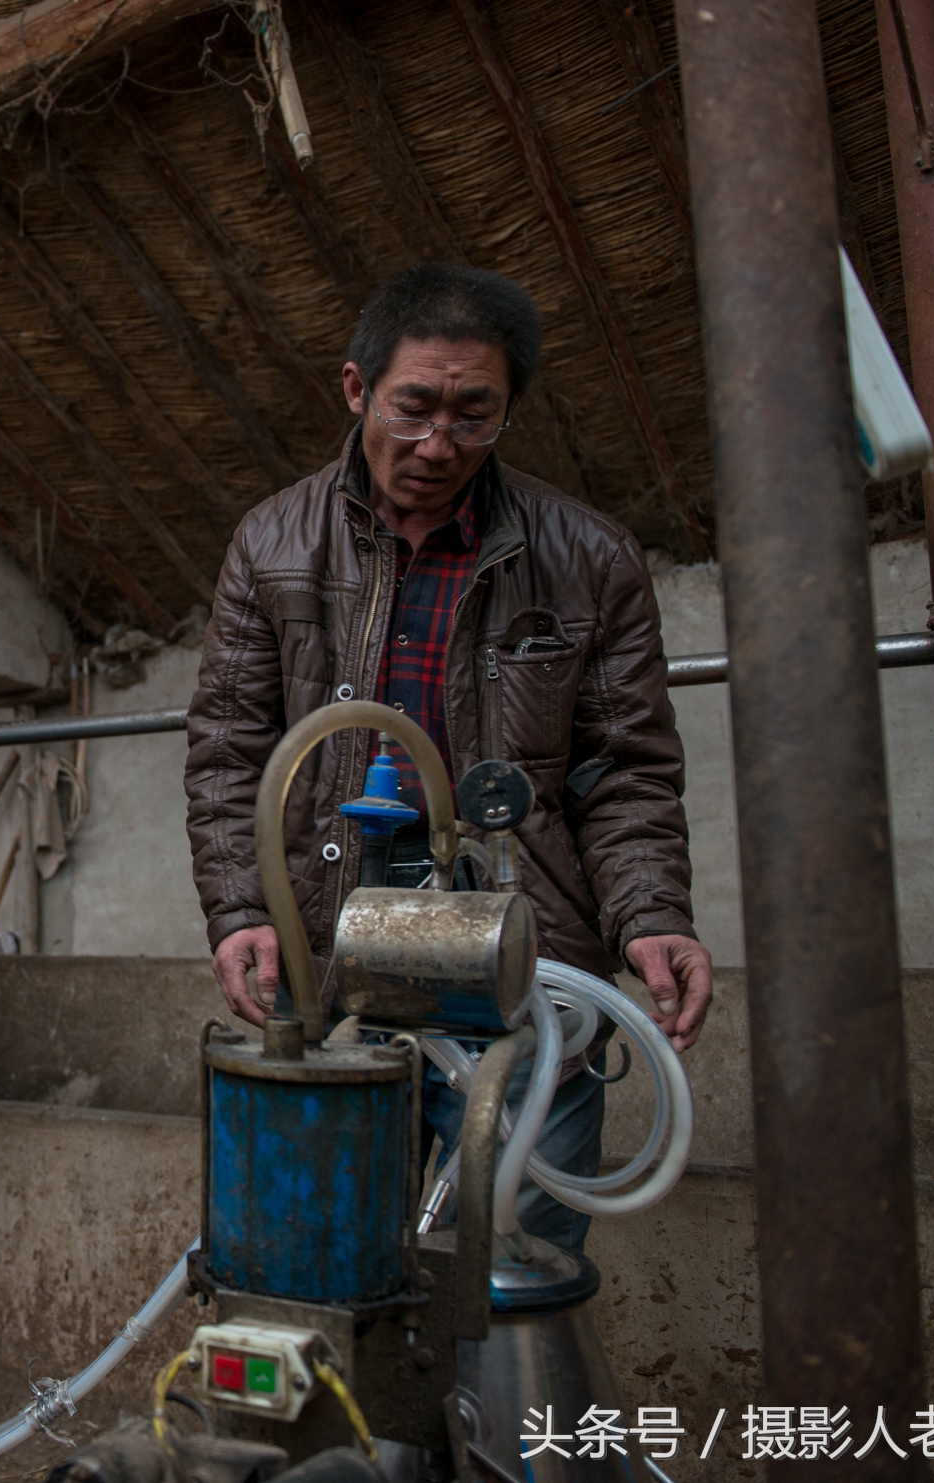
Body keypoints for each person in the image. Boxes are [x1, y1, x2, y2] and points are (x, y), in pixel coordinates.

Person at [183, 263, 713, 1252]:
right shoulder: (271, 544)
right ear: (356, 389)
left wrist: (649, 915)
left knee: (513, 1271)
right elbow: (229, 752)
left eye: (473, 414)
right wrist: (241, 912)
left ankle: (493, 1411)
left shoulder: (589, 558)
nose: (437, 444)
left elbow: (622, 771)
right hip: (335, 944)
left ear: (508, 407)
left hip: (521, 949)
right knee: (334, 1258)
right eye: (413, 406)